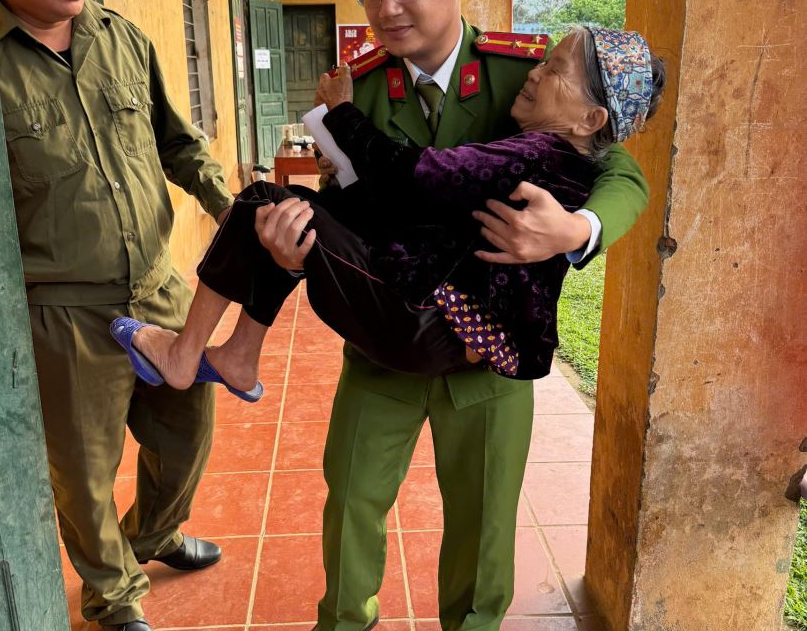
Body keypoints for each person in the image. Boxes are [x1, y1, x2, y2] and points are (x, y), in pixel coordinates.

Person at [256, 0, 654, 631]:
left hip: (488, 351)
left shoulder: (526, 76)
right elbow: (349, 200)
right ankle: (342, 619)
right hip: (388, 340)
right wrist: (296, 248)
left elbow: (623, 173)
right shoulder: (358, 88)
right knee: (351, 489)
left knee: (483, 508)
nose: (386, 7)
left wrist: (576, 231)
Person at [0, 0, 233, 631]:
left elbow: (177, 142)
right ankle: (114, 597)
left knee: (186, 434)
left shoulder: (121, 39)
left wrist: (228, 203)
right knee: (85, 475)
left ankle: (149, 538)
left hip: (156, 288)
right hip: (63, 312)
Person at [111, 27, 664, 407]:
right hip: (440, 316)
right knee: (294, 211)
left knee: (264, 200)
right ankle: (236, 356)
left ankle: (185, 354)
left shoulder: (538, 145)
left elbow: (414, 176)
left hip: (425, 319)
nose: (537, 72)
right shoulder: (557, 155)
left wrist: (341, 112)